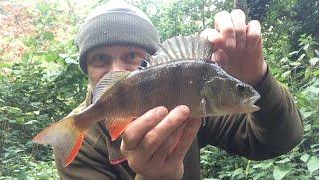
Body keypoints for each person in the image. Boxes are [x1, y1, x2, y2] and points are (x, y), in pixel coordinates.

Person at [54, 1, 303, 180]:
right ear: (85, 68)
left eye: (131, 56)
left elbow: (278, 141)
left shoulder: (201, 102)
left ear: (151, 61)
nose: (115, 71)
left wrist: (258, 79)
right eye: (100, 59)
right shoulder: (79, 144)